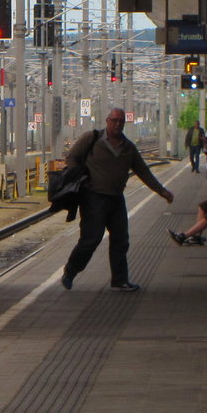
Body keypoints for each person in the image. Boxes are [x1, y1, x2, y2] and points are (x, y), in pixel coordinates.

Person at [60, 108, 174, 292]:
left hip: (116, 199)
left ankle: (120, 280)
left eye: (121, 121)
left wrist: (162, 191)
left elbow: (143, 171)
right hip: (93, 198)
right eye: (114, 120)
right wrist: (78, 177)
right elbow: (72, 156)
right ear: (107, 120)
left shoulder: (128, 147)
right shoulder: (92, 138)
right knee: (92, 239)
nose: (118, 124)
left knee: (121, 240)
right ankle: (71, 269)